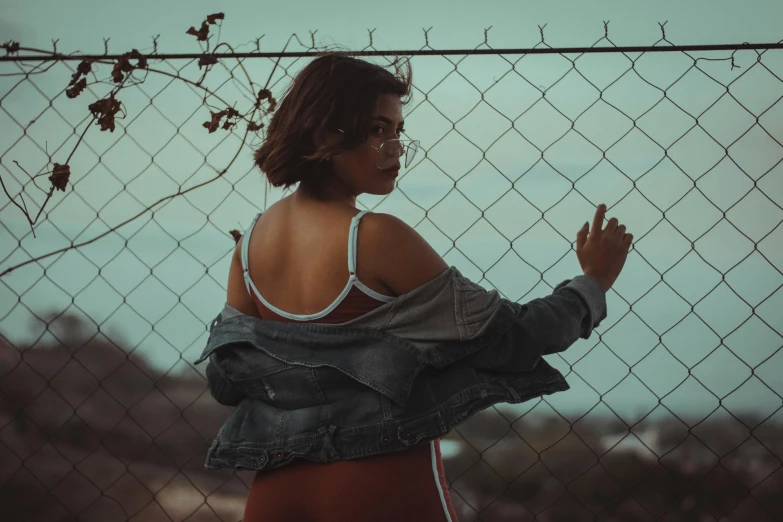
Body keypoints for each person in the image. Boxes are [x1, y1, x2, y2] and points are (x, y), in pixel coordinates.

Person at [219, 51, 633, 521]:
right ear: (324, 134)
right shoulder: (374, 238)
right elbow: (513, 337)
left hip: (276, 492)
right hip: (381, 486)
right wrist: (593, 281)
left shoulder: (249, 246)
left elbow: (227, 377)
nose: (395, 146)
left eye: (398, 130)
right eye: (377, 129)